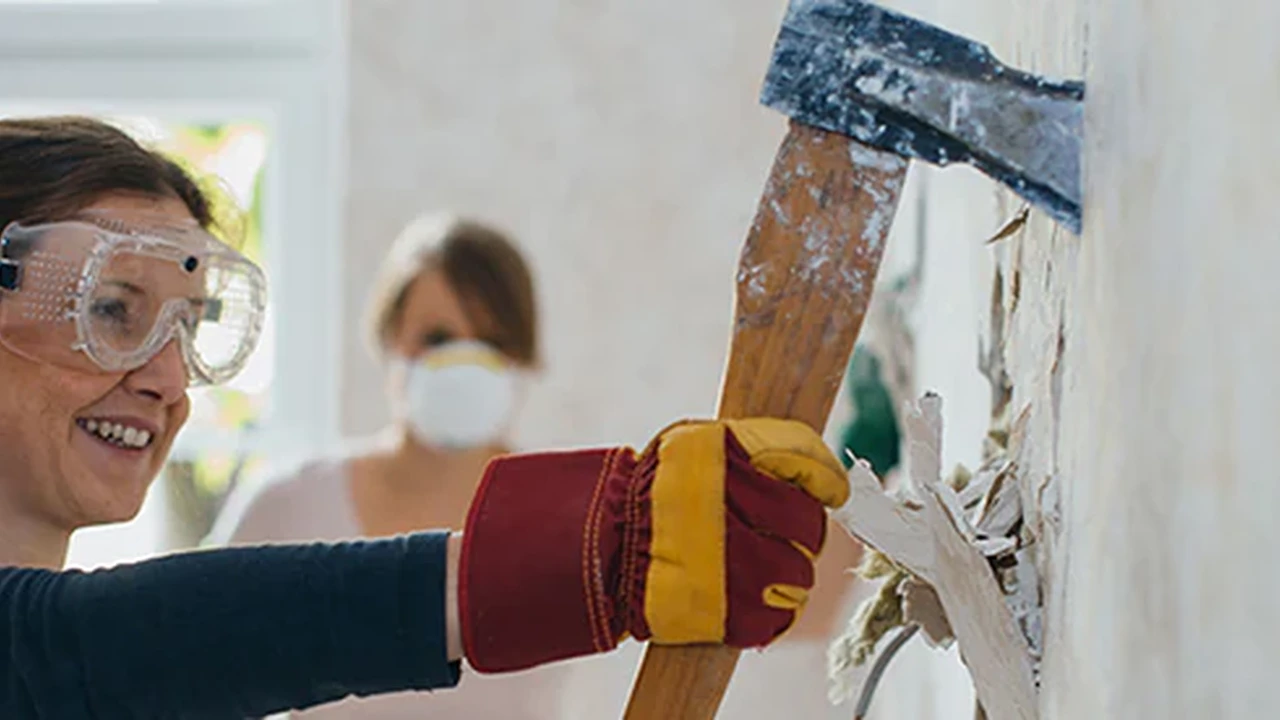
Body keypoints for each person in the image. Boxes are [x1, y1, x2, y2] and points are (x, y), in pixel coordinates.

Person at [0, 116, 852, 719]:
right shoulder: (73, 653)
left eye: (187, 326)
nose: (168, 377)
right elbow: (130, 644)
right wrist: (597, 547)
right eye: (113, 310)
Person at [209, 212, 575, 717]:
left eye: (489, 341)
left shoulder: (569, 527)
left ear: (522, 358)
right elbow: (200, 683)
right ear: (388, 340)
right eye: (439, 338)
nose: (464, 364)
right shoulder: (286, 509)